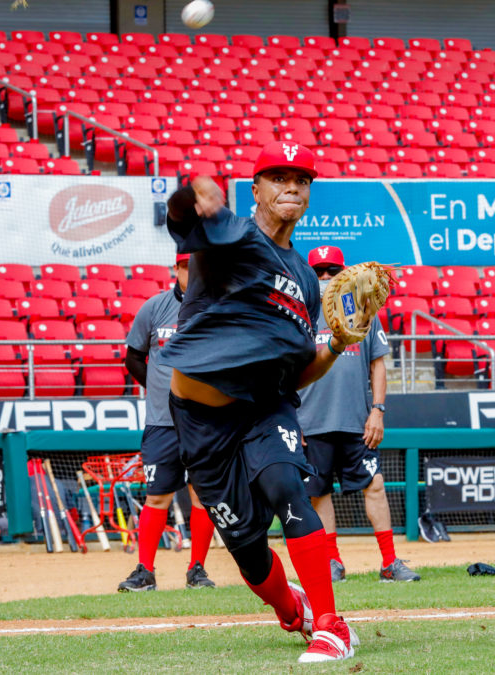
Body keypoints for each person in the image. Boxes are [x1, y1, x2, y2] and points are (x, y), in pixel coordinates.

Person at [158, 141, 359, 663]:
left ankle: (332, 625)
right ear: (256, 189)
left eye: (300, 178)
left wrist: (334, 346)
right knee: (247, 551)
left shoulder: (306, 281)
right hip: (200, 417)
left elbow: (299, 370)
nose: (290, 185)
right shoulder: (234, 237)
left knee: (286, 486)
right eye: (277, 177)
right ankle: (293, 610)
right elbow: (183, 215)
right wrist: (194, 191)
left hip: (265, 405)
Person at [297, 246, 419, 584]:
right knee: (318, 493)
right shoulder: (299, 312)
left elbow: (377, 363)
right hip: (310, 421)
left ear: (345, 274)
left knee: (375, 485)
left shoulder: (363, 309)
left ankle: (390, 563)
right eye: (319, 272)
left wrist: (377, 410)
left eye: (331, 271)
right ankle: (332, 561)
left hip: (356, 421)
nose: (325, 278)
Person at [118, 253, 218, 592]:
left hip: (204, 420)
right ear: (175, 269)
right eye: (186, 266)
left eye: (198, 266)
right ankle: (145, 570)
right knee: (156, 495)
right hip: (162, 422)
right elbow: (133, 357)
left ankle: (197, 569)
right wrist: (160, 389)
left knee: (202, 496)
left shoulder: (217, 307)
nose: (192, 272)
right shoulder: (154, 307)